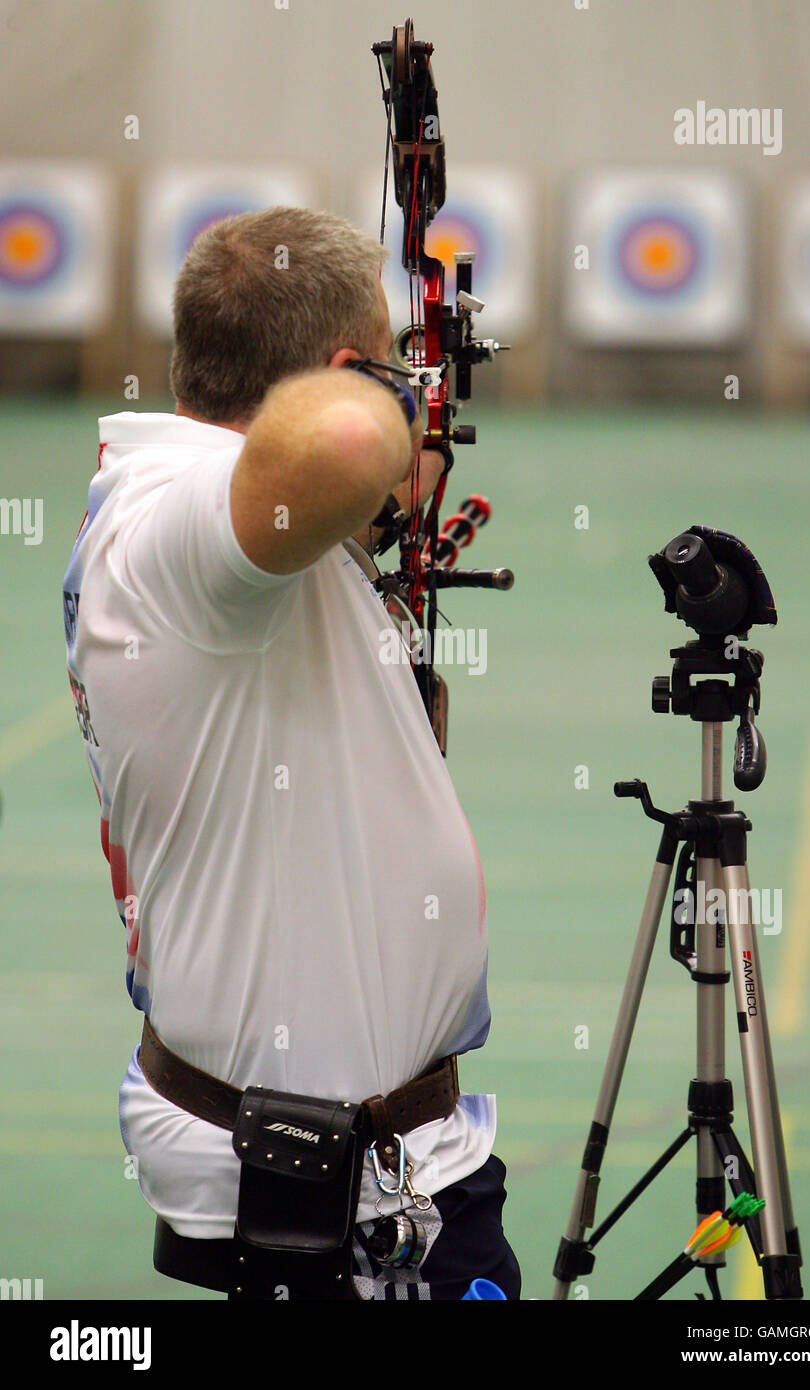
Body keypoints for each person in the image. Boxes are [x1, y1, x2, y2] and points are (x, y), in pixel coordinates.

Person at [62, 205, 520, 1301]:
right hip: (320, 1190)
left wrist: (359, 518)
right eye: (383, 366)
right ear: (337, 371)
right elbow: (350, 440)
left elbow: (317, 470)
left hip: (379, 1164)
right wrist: (395, 409)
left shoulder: (215, 536)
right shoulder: (174, 528)